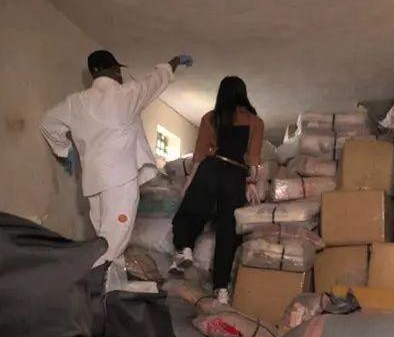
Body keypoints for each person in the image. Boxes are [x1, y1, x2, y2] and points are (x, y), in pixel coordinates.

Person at [40, 50, 193, 267]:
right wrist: (174, 62)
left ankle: (107, 287)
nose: (120, 74)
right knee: (112, 244)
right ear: (112, 71)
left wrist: (64, 151)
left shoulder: (75, 102)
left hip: (93, 183)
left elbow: (48, 122)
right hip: (120, 181)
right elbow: (156, 80)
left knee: (104, 238)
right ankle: (91, 287)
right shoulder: (126, 94)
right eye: (118, 70)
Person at [170, 76, 264, 304]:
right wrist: (251, 184)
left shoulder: (211, 117)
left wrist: (190, 182)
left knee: (192, 210)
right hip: (235, 174)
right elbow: (253, 160)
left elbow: (200, 154)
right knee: (228, 229)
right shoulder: (255, 121)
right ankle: (221, 288)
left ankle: (185, 248)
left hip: (211, 169)